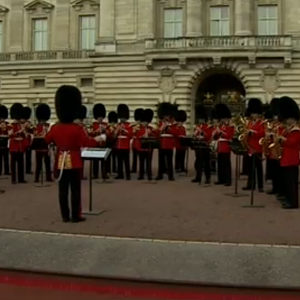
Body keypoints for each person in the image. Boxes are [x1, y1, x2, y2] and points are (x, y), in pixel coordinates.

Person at [45, 85, 101, 223]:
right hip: (75, 161)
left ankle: (65, 216)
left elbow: (46, 140)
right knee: (75, 190)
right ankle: (76, 215)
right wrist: (99, 139)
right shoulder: (77, 128)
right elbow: (88, 142)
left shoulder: (55, 128)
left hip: (60, 161)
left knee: (62, 190)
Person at [277, 96, 300, 209]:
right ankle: (288, 199)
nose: (287, 121)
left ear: (294, 118)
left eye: (289, 119)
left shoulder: (296, 130)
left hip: (292, 159)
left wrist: (282, 139)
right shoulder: (288, 129)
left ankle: (293, 202)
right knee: (287, 182)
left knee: (292, 183)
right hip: (286, 158)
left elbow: (293, 142)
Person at [242, 98, 265, 192]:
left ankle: (260, 186)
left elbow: (262, 133)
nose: (253, 115)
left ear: (258, 114)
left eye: (255, 113)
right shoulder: (249, 123)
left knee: (258, 168)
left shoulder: (262, 123)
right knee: (250, 168)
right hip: (250, 147)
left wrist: (253, 133)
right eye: (252, 113)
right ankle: (250, 184)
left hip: (258, 148)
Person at [213, 103, 235, 186]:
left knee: (226, 164)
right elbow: (216, 137)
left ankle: (228, 180)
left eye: (224, 118)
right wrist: (216, 134)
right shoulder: (221, 125)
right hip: (220, 146)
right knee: (220, 164)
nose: (223, 120)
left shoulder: (230, 126)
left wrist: (221, 133)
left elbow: (229, 136)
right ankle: (221, 179)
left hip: (226, 146)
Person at [155, 103, 177, 181]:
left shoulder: (173, 124)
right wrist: (161, 129)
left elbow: (175, 133)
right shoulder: (160, 124)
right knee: (160, 161)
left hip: (169, 144)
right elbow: (157, 134)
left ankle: (171, 176)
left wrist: (169, 129)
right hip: (161, 144)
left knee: (169, 161)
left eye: (167, 116)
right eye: (165, 116)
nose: (166, 117)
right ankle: (159, 175)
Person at [192, 104, 212, 184]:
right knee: (198, 163)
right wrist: (196, 134)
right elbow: (195, 136)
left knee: (206, 163)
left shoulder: (208, 127)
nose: (200, 120)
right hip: (198, 146)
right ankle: (198, 177)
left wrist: (202, 133)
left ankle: (208, 178)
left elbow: (209, 136)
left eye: (202, 119)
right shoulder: (197, 126)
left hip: (205, 146)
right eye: (200, 119)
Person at [33, 104, 52, 183]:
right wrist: (42, 135)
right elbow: (35, 135)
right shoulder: (36, 126)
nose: (43, 121)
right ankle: (36, 178)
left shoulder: (48, 126)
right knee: (38, 164)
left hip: (46, 145)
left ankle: (48, 177)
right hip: (39, 145)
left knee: (47, 163)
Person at [8, 103, 26, 184]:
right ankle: (13, 179)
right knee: (13, 164)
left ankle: (21, 178)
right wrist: (20, 131)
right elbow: (10, 134)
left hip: (20, 146)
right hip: (14, 146)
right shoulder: (10, 125)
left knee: (21, 164)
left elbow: (25, 136)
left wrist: (24, 131)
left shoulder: (20, 125)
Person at [136, 109, 155, 180]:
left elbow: (155, 136)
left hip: (149, 148)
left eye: (146, 122)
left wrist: (151, 133)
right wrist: (142, 136)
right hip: (141, 147)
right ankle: (141, 175)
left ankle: (149, 175)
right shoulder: (139, 129)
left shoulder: (151, 129)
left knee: (149, 162)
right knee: (141, 162)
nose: (145, 123)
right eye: (143, 122)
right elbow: (137, 136)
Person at [115, 104, 132, 180]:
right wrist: (117, 130)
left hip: (125, 145)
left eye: (124, 118)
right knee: (119, 162)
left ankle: (128, 175)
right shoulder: (117, 125)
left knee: (126, 161)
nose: (122, 119)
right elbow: (114, 136)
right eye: (121, 118)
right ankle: (120, 174)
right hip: (119, 145)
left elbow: (130, 135)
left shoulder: (129, 125)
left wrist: (124, 130)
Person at [91, 103, 107, 179]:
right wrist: (97, 130)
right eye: (98, 117)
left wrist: (105, 130)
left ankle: (104, 174)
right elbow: (91, 133)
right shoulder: (93, 125)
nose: (100, 119)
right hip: (96, 144)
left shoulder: (105, 124)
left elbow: (109, 134)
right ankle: (95, 174)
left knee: (104, 161)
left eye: (101, 117)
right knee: (95, 161)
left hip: (103, 144)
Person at [131, 108, 144, 173]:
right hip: (134, 142)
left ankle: (142, 169)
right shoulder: (133, 126)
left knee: (141, 157)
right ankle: (134, 168)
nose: (138, 121)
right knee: (134, 156)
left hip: (140, 142)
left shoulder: (143, 126)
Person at [22, 107, 33, 175]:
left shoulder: (29, 123)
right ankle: (25, 169)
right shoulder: (21, 123)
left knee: (28, 156)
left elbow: (32, 130)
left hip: (28, 141)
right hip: (22, 141)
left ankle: (28, 169)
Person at [0, 105, 10, 176]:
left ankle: (7, 171)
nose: (2, 119)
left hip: (5, 142)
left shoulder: (8, 124)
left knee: (6, 158)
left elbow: (9, 133)